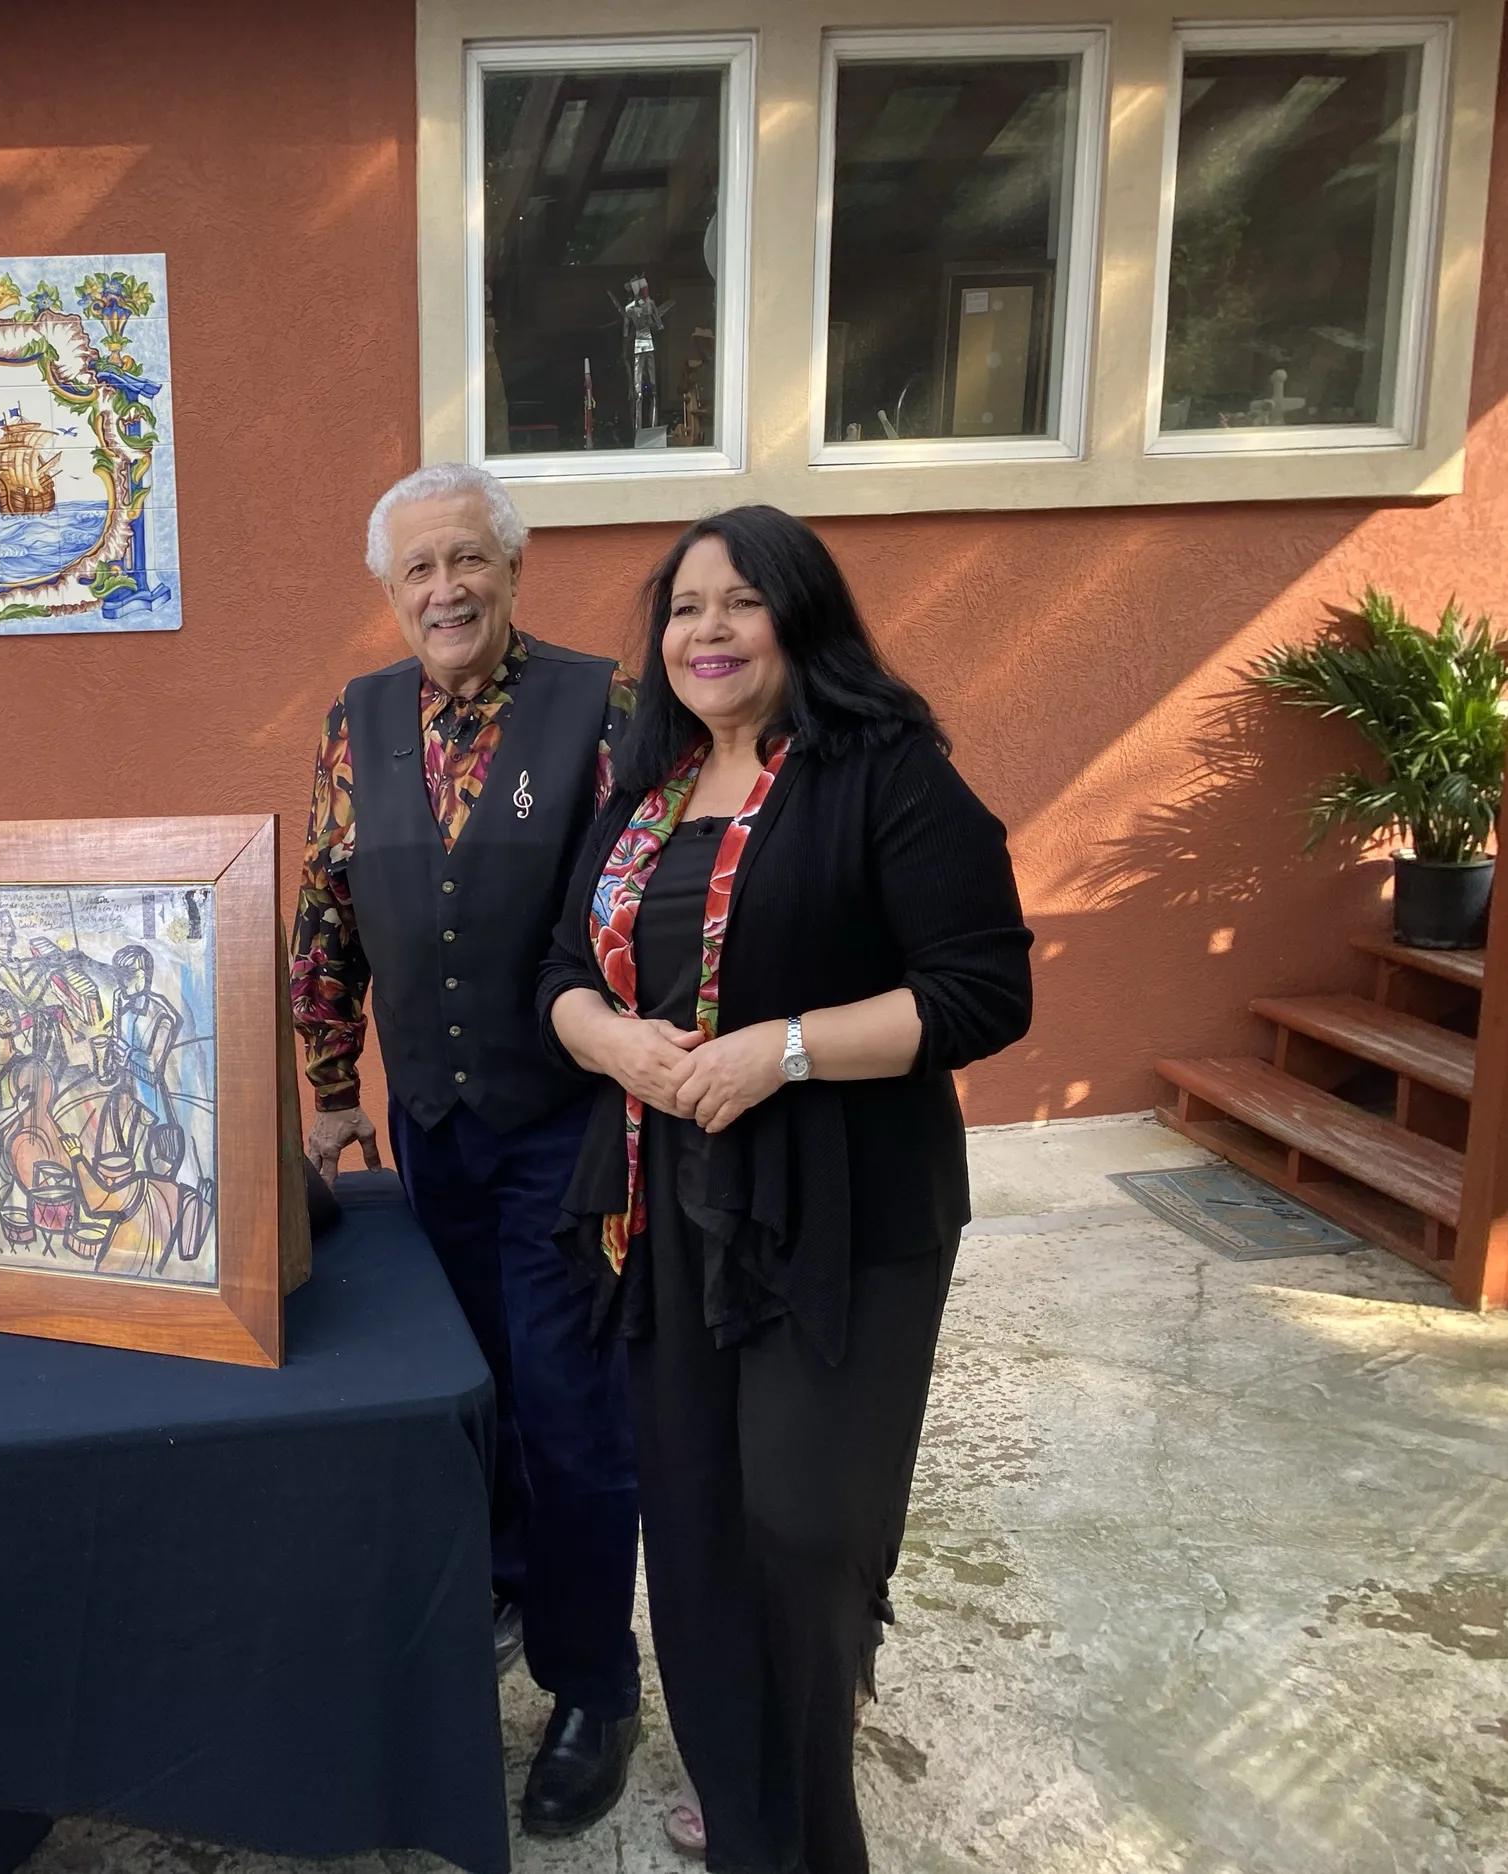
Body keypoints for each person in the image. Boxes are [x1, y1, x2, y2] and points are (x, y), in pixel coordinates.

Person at [538, 506, 1032, 1871]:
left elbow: (984, 989)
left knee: (806, 1533)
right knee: (697, 1536)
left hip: (843, 1211)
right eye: (684, 608)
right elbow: (561, 976)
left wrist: (786, 1051)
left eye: (740, 602)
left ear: (800, 618)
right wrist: (617, 1043)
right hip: (670, 1209)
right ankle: (748, 1816)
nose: (707, 631)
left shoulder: (885, 771)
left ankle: (811, 1830)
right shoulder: (645, 796)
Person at [292, 461, 644, 1838]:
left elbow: (644, 912)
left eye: (466, 561)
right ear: (391, 593)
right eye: (417, 571)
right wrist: (332, 1087)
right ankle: (505, 1581)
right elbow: (327, 910)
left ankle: (595, 1683)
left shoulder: (604, 709)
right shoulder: (358, 718)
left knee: (570, 1407)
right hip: (433, 1128)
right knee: (469, 1390)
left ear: (513, 569)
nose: (444, 590)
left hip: (564, 1125)